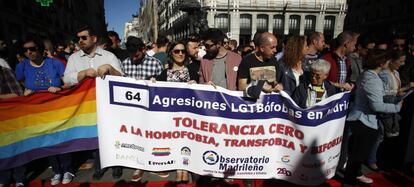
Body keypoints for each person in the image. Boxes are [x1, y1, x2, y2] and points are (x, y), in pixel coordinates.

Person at [63, 26, 124, 180]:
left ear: (94, 39)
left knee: (112, 133)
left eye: (84, 37)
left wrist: (109, 68)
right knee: (95, 136)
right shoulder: (73, 58)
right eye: (78, 38)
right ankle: (100, 165)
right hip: (86, 106)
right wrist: (82, 74)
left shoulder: (109, 56)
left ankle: (117, 164)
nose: (80, 41)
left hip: (109, 104)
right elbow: (66, 79)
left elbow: (122, 77)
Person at [15, 37, 74, 185]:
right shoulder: (21, 67)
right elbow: (21, 83)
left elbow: (68, 83)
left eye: (33, 48)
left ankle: (67, 169)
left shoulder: (55, 63)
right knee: (45, 140)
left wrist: (59, 88)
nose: (29, 52)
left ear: (40, 49)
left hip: (57, 108)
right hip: (37, 111)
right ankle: (56, 170)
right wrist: (25, 91)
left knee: (61, 138)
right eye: (26, 50)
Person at [345, 49, 402, 185]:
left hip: (365, 120)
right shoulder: (371, 78)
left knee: (358, 154)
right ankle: (350, 181)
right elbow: (377, 105)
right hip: (363, 121)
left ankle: (355, 175)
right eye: (387, 60)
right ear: (382, 63)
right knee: (358, 155)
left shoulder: (371, 75)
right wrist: (397, 107)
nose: (389, 63)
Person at [153, 42, 198, 183]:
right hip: (171, 117)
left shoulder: (193, 69)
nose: (180, 54)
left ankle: (185, 168)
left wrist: (197, 84)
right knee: (176, 141)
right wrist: (152, 82)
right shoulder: (165, 73)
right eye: (176, 51)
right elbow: (155, 89)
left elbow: (203, 88)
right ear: (171, 53)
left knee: (187, 141)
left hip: (189, 116)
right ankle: (179, 169)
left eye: (183, 51)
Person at [238, 32, 284, 98]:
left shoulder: (273, 60)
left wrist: (279, 85)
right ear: (262, 48)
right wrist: (260, 86)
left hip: (270, 103)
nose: (275, 50)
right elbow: (241, 86)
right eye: (272, 47)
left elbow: (275, 81)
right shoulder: (247, 60)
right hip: (253, 103)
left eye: (276, 47)